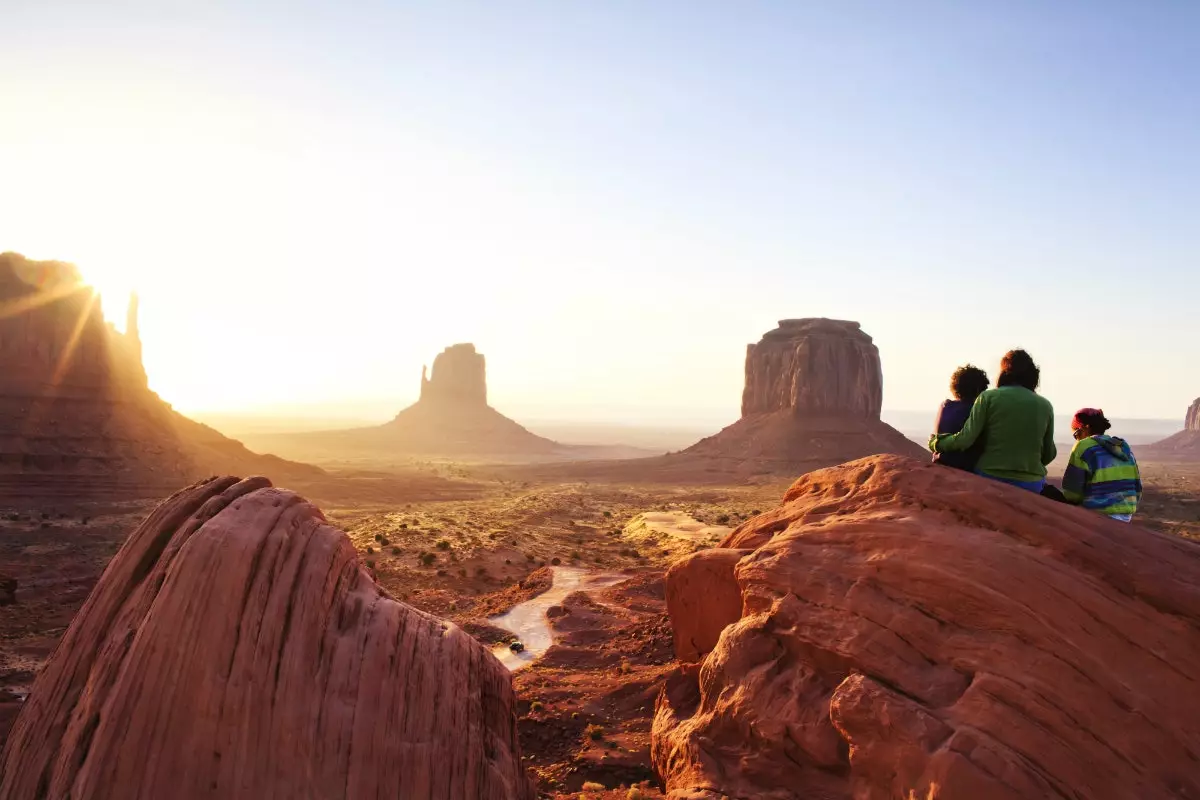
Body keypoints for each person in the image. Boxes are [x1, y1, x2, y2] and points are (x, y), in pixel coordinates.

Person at [928, 349, 1056, 492]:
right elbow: (1049, 454)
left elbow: (965, 440)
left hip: (990, 477)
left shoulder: (987, 397)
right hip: (1032, 484)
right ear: (1033, 375)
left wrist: (937, 442)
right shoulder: (1046, 405)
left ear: (1003, 372)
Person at [1061, 408, 1142, 522]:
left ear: (1085, 427)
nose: (1076, 439)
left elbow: (1072, 493)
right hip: (1126, 514)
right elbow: (1137, 487)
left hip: (1098, 515)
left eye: (1076, 434)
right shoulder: (1123, 448)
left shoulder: (1083, 447)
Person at [932, 364, 990, 472]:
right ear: (978, 390)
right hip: (967, 469)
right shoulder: (976, 410)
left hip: (940, 462)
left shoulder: (945, 406)